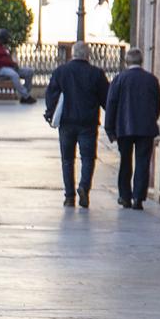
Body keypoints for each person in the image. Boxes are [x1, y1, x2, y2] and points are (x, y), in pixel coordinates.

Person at [43, 42, 110, 208]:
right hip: (88, 122)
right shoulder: (96, 74)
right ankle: (84, 188)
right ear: (88, 55)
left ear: (72, 54)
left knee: (67, 160)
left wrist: (50, 113)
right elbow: (106, 99)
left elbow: (51, 95)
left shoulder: (61, 72)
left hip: (66, 122)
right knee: (88, 158)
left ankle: (69, 196)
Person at [104, 47, 160, 209]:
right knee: (143, 162)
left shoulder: (119, 79)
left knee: (125, 161)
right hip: (146, 127)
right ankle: (138, 197)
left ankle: (124, 196)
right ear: (141, 61)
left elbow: (112, 104)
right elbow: (158, 102)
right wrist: (153, 118)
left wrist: (110, 128)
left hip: (124, 127)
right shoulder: (151, 80)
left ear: (126, 62)